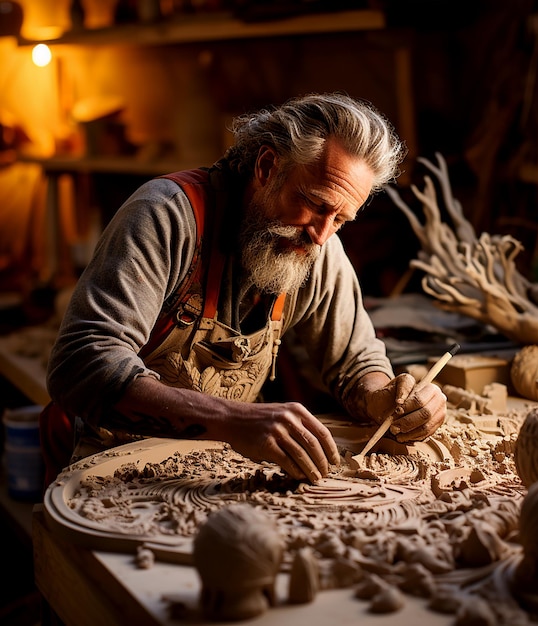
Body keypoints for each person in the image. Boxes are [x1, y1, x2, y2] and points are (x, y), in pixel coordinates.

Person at [44, 92, 447, 487]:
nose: (322, 235)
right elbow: (81, 364)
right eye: (315, 203)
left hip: (212, 469)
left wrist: (384, 397)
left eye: (341, 218)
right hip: (108, 465)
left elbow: (356, 361)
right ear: (268, 167)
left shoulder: (315, 246)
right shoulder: (165, 214)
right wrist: (236, 420)